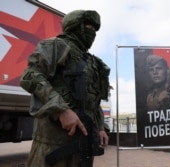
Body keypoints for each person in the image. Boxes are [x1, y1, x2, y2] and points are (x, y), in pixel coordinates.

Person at [20, 10, 110, 166]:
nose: (92, 32)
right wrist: (61, 110)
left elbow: (93, 101)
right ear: (76, 26)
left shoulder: (93, 63)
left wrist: (100, 127)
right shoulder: (56, 46)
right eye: (89, 27)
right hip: (54, 140)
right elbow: (31, 76)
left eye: (95, 29)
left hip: (84, 140)